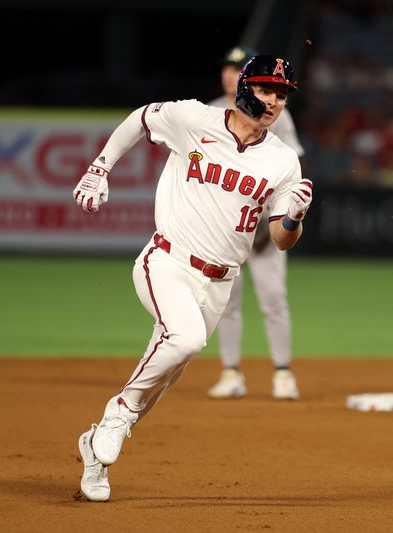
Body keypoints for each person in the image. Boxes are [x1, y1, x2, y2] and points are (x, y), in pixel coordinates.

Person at [72, 54, 313, 502]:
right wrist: (100, 166)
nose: (274, 101)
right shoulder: (194, 118)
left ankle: (96, 455)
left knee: (164, 376)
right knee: (184, 340)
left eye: (281, 94)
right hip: (167, 260)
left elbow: (280, 240)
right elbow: (140, 119)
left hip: (220, 283)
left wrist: (295, 218)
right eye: (265, 90)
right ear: (244, 89)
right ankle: (116, 412)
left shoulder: (283, 160)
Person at [206, 46, 305, 401]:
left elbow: (290, 168)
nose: (230, 74)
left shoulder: (276, 112)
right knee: (225, 301)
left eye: (237, 68)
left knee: (273, 299)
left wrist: (271, 220)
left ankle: (282, 373)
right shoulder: (212, 111)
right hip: (224, 228)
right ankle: (230, 372)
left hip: (264, 224)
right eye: (227, 68)